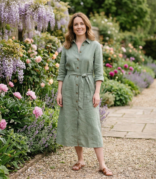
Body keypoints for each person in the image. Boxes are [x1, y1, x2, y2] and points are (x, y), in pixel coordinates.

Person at [56, 12, 113, 176]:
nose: (79, 26)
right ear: (72, 28)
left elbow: (99, 72)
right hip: (68, 88)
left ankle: (102, 164)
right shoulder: (67, 46)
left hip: (88, 88)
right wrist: (59, 93)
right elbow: (61, 72)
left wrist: (97, 93)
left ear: (86, 26)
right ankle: (80, 160)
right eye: (76, 24)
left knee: (93, 124)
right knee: (74, 123)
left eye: (81, 23)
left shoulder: (95, 46)